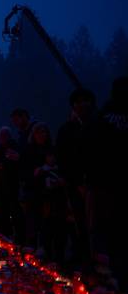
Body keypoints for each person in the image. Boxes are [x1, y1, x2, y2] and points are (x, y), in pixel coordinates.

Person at [87, 77, 128, 290]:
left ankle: (109, 275)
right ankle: (112, 276)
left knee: (107, 230)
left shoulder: (100, 116)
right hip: (107, 183)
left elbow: (92, 148)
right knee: (111, 230)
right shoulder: (102, 117)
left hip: (105, 183)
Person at [56, 88, 96, 269]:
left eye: (86, 101)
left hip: (98, 183)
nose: (82, 105)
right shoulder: (66, 130)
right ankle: (83, 258)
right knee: (78, 221)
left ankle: (97, 259)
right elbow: (63, 157)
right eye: (78, 102)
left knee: (96, 223)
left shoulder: (98, 125)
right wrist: (74, 180)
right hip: (74, 183)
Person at [22, 122, 54, 250]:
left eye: (44, 131)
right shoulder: (29, 151)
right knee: (33, 220)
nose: (42, 134)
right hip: (33, 191)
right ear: (33, 134)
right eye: (39, 132)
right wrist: (35, 172)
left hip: (50, 191)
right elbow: (24, 172)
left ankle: (48, 249)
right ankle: (33, 247)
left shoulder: (51, 149)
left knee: (48, 221)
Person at [0, 127, 22, 242]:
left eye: (5, 136)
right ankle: (5, 235)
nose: (3, 139)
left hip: (14, 185)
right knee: (3, 211)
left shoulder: (15, 147)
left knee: (16, 211)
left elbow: (21, 162)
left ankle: (19, 237)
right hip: (1, 185)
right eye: (1, 137)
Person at [36, 150, 68, 263]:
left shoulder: (60, 170)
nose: (51, 158)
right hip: (47, 207)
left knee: (60, 236)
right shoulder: (41, 172)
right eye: (49, 156)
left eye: (53, 156)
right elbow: (42, 188)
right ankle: (48, 259)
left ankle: (59, 260)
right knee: (47, 235)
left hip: (59, 207)